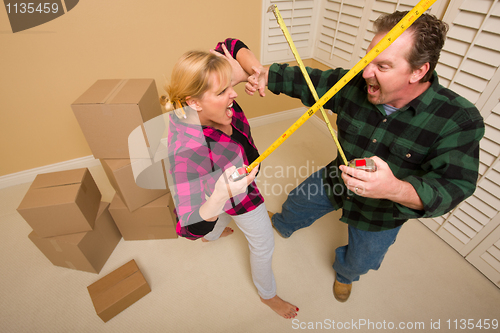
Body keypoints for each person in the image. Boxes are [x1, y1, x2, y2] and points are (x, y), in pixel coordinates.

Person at [244, 11, 485, 302]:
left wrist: (393, 188)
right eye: (367, 59)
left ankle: (345, 275)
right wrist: (265, 75)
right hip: (337, 177)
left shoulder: (458, 119)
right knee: (298, 202)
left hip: (382, 213)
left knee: (363, 258)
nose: (366, 72)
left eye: (382, 65)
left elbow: (454, 186)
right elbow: (311, 81)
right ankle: (283, 225)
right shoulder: (358, 84)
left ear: (419, 71)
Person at [162, 38, 298, 318]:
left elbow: (230, 44)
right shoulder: (186, 151)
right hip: (238, 197)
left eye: (230, 85)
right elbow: (187, 227)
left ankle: (211, 236)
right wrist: (221, 195)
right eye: (224, 90)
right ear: (194, 103)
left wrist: (255, 69)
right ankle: (267, 295)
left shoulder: (208, 92)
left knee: (215, 219)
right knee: (263, 244)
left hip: (231, 184)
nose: (234, 93)